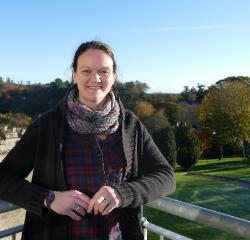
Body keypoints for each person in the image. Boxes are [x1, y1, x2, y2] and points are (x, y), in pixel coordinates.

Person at [0, 41, 176, 240]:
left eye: (104, 71)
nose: (96, 78)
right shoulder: (46, 126)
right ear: (74, 75)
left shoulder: (130, 125)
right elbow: (3, 178)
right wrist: (49, 198)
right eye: (86, 71)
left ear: (114, 77)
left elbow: (166, 177)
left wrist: (122, 194)